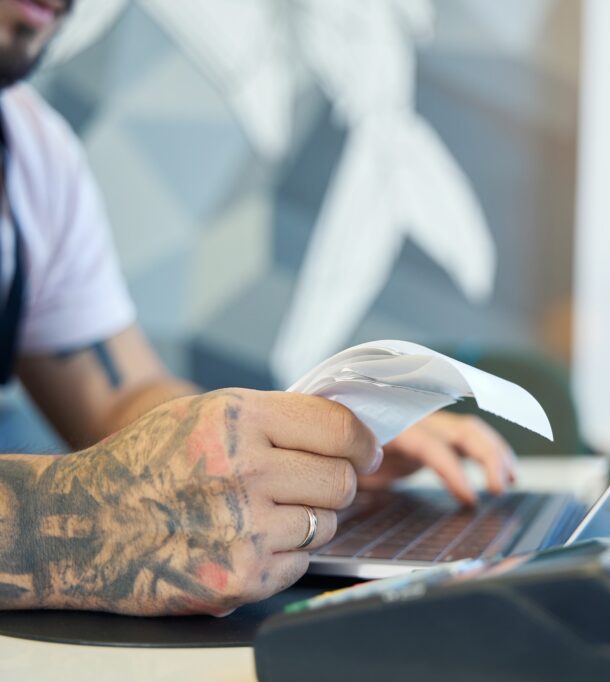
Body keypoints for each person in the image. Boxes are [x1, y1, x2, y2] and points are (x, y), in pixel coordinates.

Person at [0, 0, 515, 616]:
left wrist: (294, 439)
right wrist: (71, 520)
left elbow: (121, 396)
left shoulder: (35, 158)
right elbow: (96, 501)